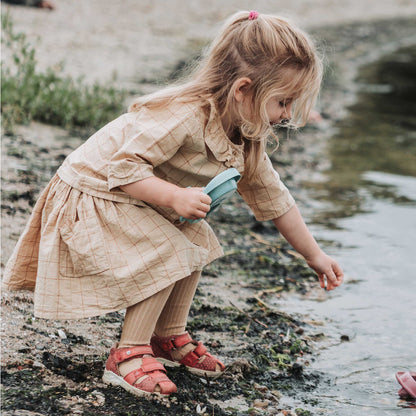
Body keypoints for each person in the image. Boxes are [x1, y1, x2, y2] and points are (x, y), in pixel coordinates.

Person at [2, 10, 344, 397]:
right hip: (93, 193)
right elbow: (124, 167)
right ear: (243, 90)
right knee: (168, 251)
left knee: (197, 240)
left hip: (132, 197)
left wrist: (314, 255)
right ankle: (127, 353)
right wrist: (175, 196)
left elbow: (274, 198)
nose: (285, 116)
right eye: (282, 102)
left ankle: (167, 337)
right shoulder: (185, 114)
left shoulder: (248, 134)